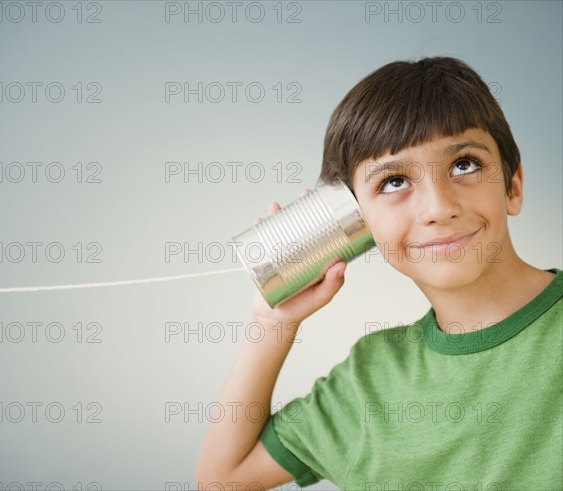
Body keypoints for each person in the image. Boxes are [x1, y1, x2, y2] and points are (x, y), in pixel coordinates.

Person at [194, 57, 563, 490]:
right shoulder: (370, 380)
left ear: (512, 187)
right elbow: (222, 479)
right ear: (355, 222)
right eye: (393, 182)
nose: (438, 207)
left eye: (464, 164)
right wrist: (272, 323)